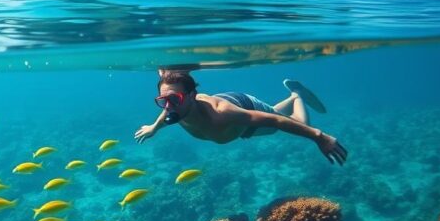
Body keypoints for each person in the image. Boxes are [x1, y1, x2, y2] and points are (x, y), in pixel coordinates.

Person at [134, 69, 348, 165]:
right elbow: (168, 110)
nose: (168, 106)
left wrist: (319, 137)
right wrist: (153, 128)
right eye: (163, 101)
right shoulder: (175, 107)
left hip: (243, 106)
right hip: (238, 125)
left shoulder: (223, 115)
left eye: (175, 99)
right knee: (270, 112)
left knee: (294, 122)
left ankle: (296, 95)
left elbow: (275, 121)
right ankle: (289, 99)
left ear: (192, 96)